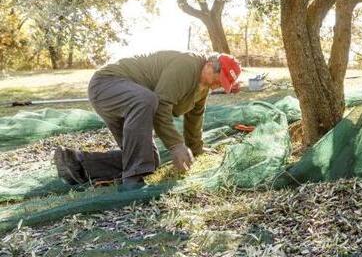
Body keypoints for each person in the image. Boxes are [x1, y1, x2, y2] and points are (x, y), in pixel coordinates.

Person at [53, 51, 242, 191]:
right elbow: (161, 106)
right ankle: (132, 180)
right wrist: (176, 145)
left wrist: (197, 149)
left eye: (224, 83)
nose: (219, 85)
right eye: (220, 79)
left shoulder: (202, 87)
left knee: (149, 160)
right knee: (148, 99)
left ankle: (76, 163)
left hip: (130, 102)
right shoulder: (187, 65)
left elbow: (195, 118)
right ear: (209, 65)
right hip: (107, 85)